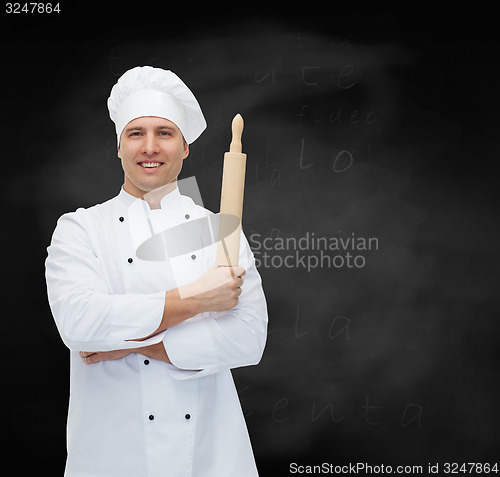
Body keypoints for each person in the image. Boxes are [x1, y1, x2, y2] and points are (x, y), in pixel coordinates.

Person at [45, 66, 268, 477]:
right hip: (111, 457)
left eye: (164, 133)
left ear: (184, 147)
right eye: (136, 133)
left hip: (212, 457)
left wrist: (132, 344)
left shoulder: (220, 230)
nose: (150, 147)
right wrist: (197, 299)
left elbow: (249, 339)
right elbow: (80, 325)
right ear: (118, 146)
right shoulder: (79, 229)